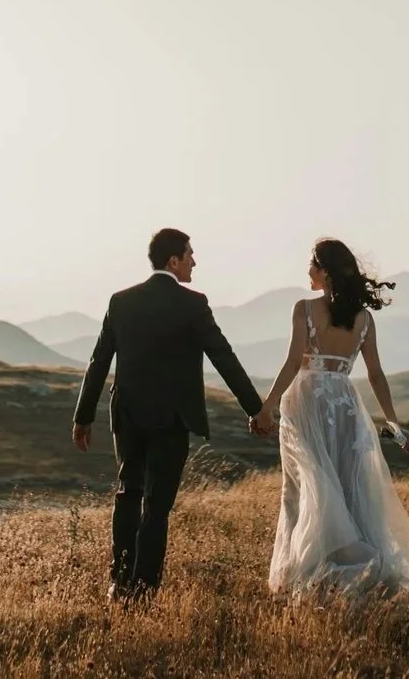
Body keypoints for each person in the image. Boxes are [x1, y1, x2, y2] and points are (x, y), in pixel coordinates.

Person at [71, 228, 270, 602]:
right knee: (157, 505)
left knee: (128, 492)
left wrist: (83, 417)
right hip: (172, 419)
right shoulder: (193, 304)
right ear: (173, 261)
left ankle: (119, 583)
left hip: (127, 415)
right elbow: (223, 357)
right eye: (190, 254)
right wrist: (255, 409)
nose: (195, 261)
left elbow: (98, 361)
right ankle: (144, 590)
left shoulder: (121, 302)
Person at [254, 238, 409, 602]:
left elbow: (292, 362)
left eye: (312, 265)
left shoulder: (303, 309)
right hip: (345, 406)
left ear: (325, 271)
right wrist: (394, 424)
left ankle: (311, 572)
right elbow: (377, 375)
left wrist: (268, 405)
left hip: (306, 404)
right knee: (348, 489)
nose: (308, 272)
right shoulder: (364, 319)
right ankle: (350, 571)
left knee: (306, 487)